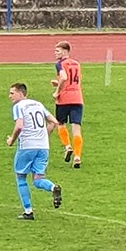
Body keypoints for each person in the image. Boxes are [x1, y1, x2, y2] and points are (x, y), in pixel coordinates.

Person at [7, 83, 63, 220]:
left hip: (27, 146)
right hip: (43, 147)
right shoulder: (38, 104)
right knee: (38, 179)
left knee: (21, 177)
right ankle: (53, 188)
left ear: (21, 93)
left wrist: (12, 140)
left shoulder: (18, 106)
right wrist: (44, 136)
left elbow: (19, 126)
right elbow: (53, 122)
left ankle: (28, 211)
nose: (9, 96)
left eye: (12, 93)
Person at [52, 41, 84, 169]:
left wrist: (57, 91)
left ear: (65, 51)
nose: (55, 53)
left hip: (64, 98)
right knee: (76, 128)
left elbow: (64, 77)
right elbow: (74, 81)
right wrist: (58, 82)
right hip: (77, 98)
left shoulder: (60, 64)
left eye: (57, 51)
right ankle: (77, 157)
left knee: (60, 123)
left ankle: (67, 146)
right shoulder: (76, 63)